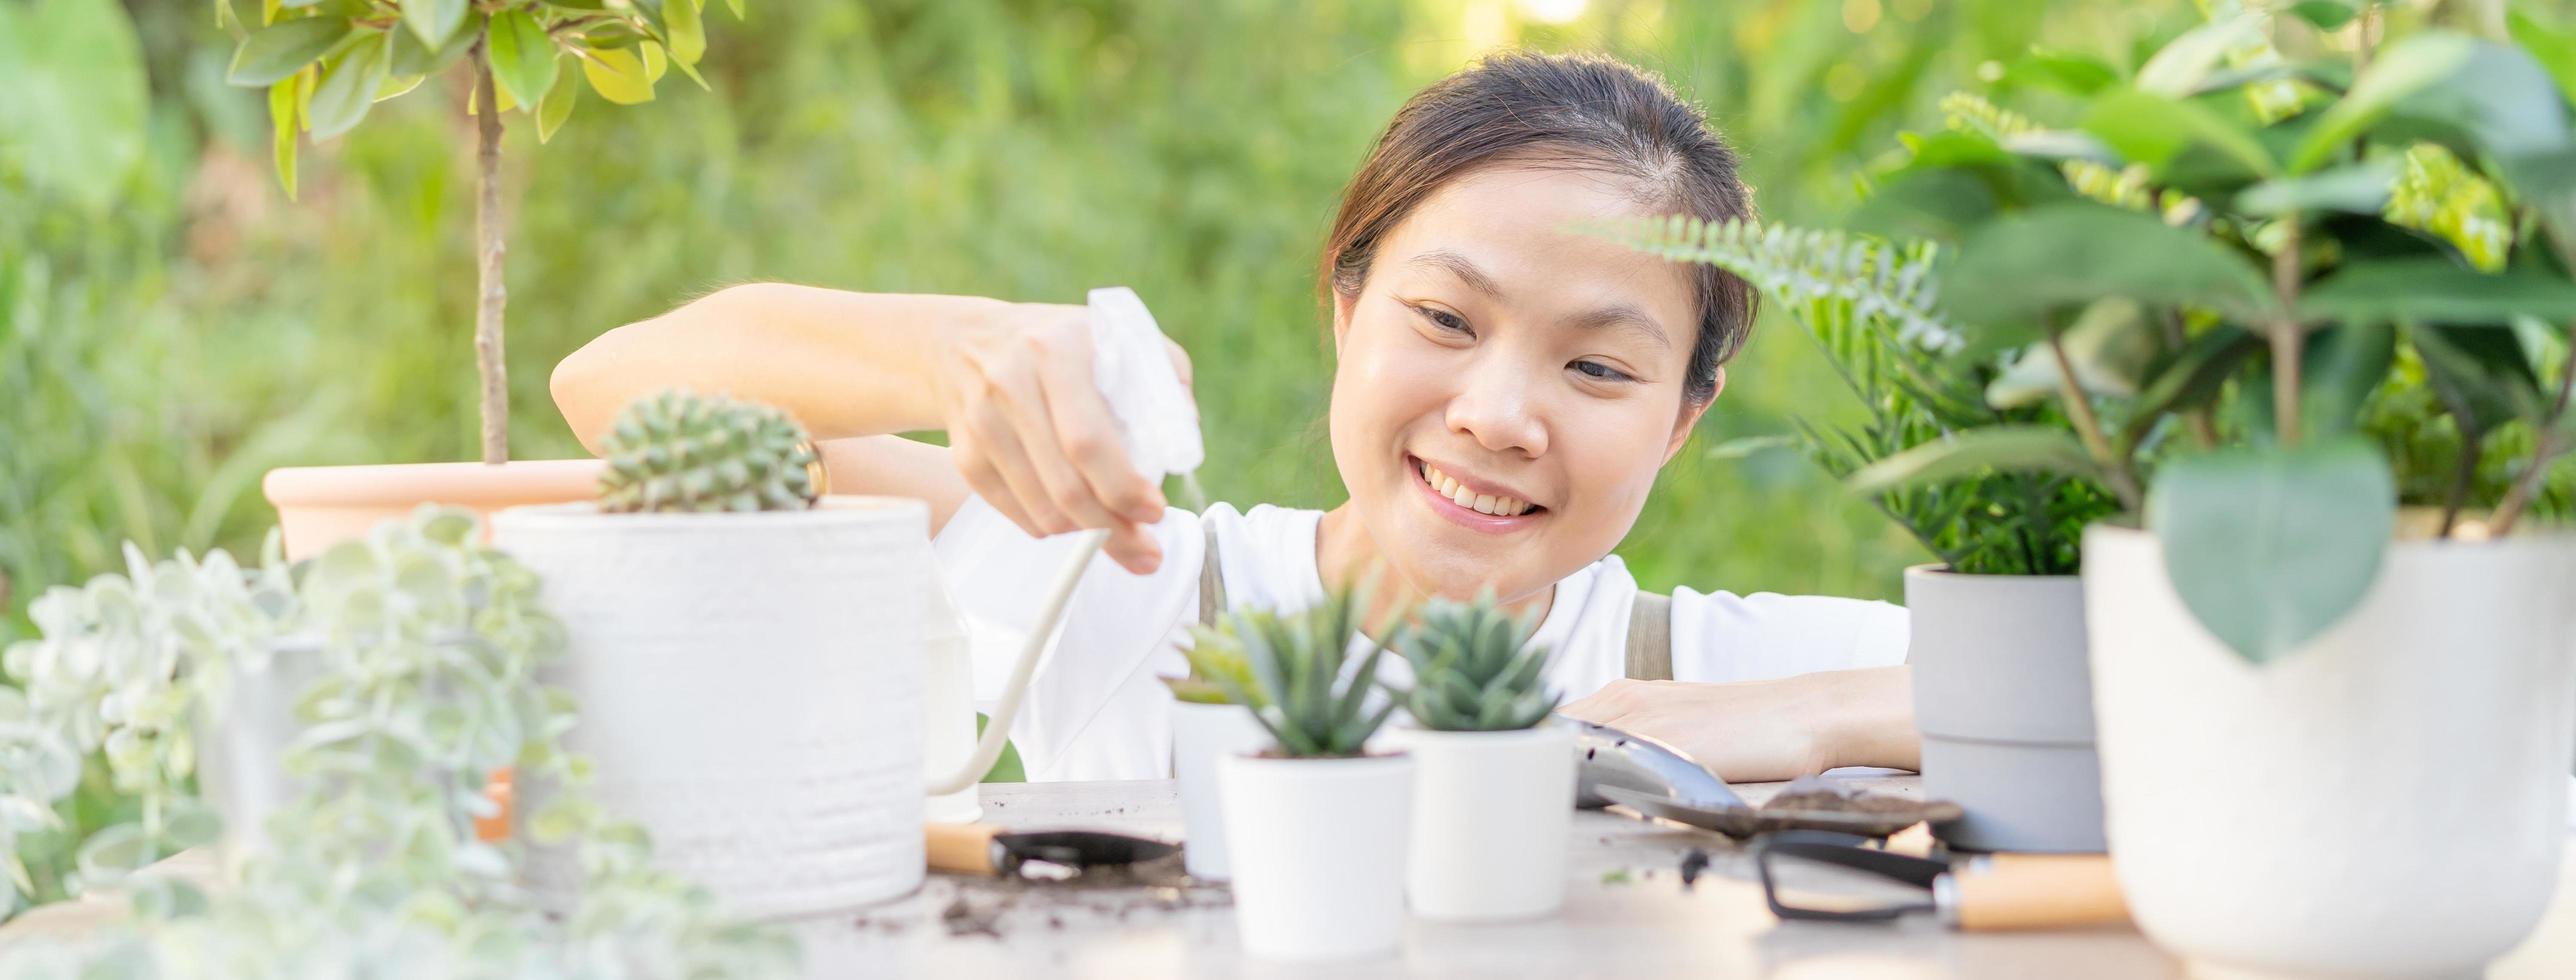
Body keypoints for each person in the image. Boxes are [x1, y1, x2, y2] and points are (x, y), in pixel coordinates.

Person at [550, 51, 1919, 784]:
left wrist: (1816, 719)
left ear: (1683, 422)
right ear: (1345, 312)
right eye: (1445, 321)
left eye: (1601, 371)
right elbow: (612, 395)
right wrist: (957, 347)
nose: (1500, 415)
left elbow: (2110, 672)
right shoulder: (1128, 586)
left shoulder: (1708, 667)